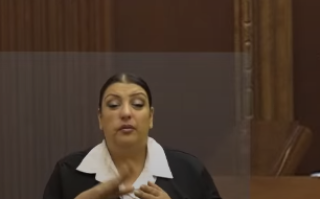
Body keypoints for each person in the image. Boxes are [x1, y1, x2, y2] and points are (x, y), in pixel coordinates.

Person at [42, 74, 221, 199]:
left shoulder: (189, 171)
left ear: (150, 117)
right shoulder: (67, 173)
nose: (126, 113)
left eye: (137, 104)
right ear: (100, 118)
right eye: (113, 105)